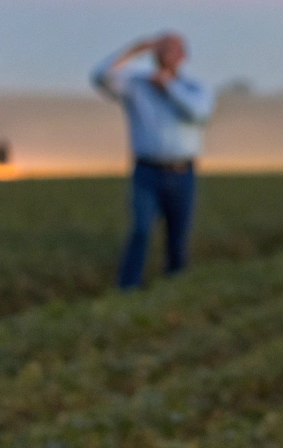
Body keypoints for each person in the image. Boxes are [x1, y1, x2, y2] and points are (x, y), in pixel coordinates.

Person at [92, 32, 216, 289]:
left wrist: (168, 87)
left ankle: (176, 286)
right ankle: (128, 288)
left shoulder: (194, 87)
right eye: (161, 48)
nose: (166, 53)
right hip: (147, 171)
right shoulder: (137, 85)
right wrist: (133, 50)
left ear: (183, 56)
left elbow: (199, 113)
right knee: (140, 230)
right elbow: (100, 77)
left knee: (177, 238)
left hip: (183, 172)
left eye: (172, 49)